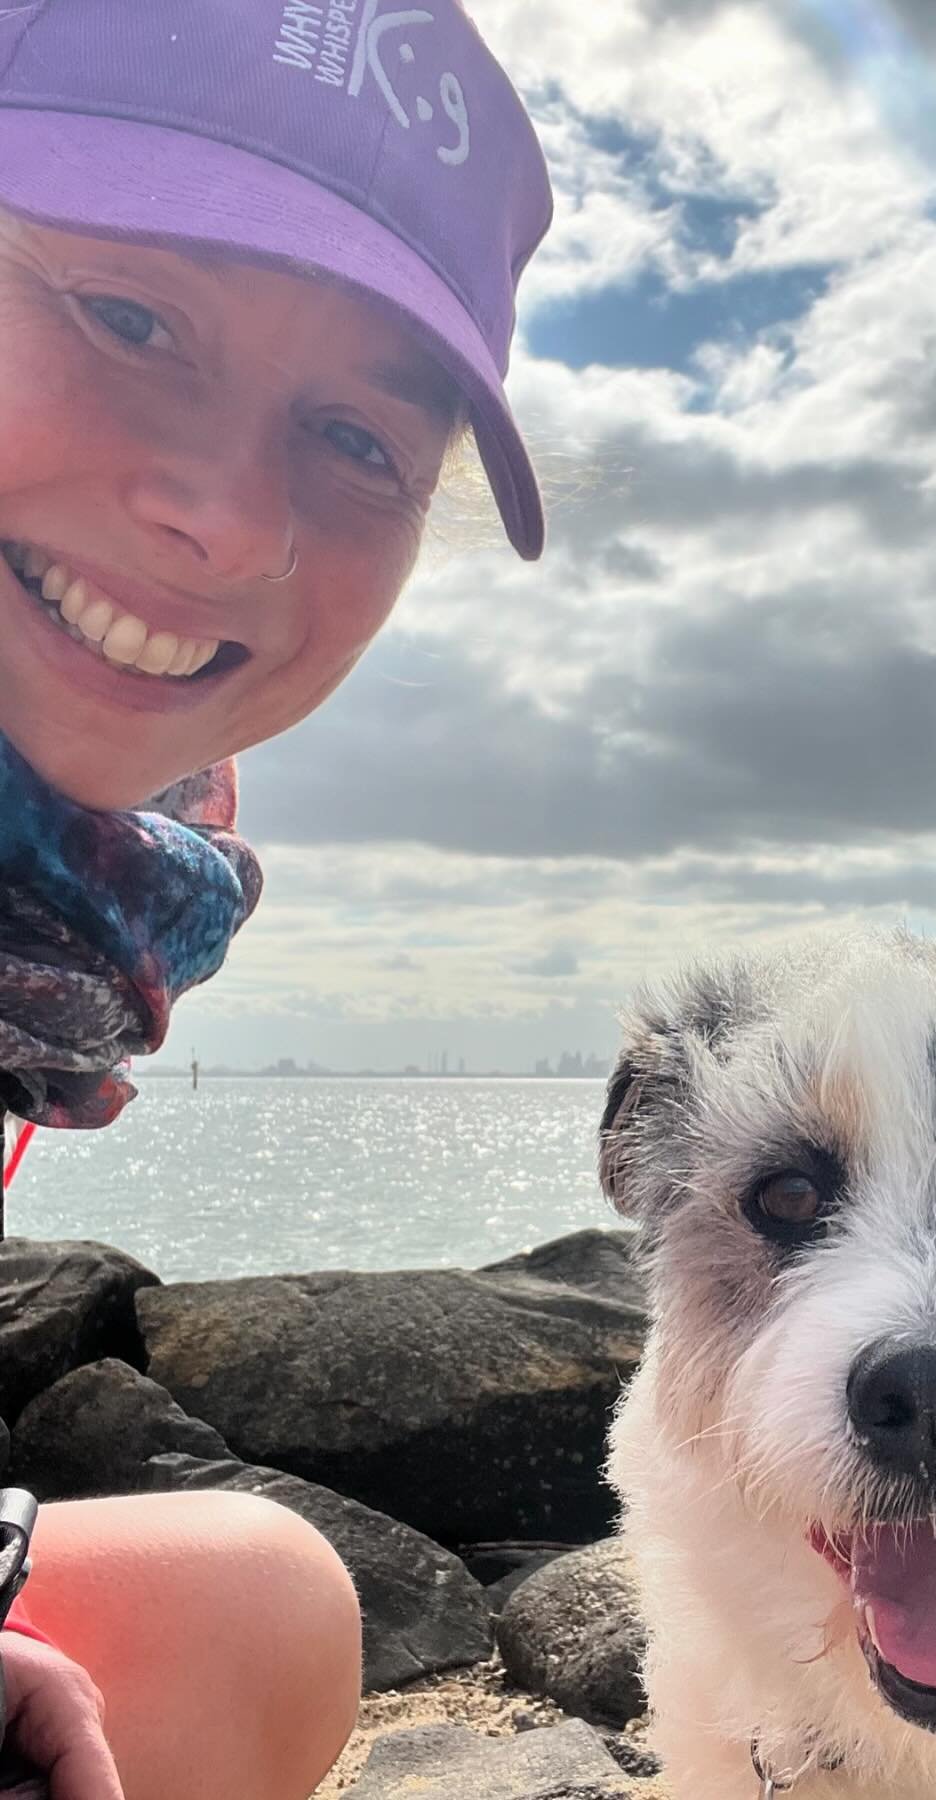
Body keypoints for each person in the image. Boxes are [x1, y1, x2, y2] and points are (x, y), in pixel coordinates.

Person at [0, 1, 552, 1794]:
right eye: (128, 315)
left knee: (262, 1615)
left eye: (357, 439)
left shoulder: (63, 926)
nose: (232, 524)